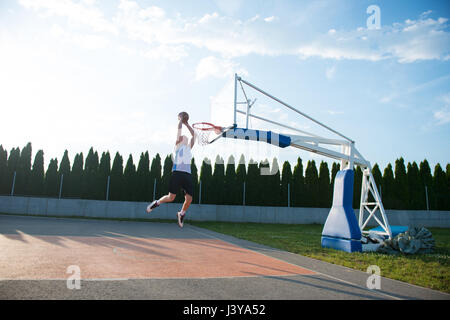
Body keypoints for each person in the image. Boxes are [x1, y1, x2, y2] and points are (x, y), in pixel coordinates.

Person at [146, 112, 195, 228]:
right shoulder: (178, 147)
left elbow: (194, 136)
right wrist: (181, 120)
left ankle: (181, 213)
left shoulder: (188, 148)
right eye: (183, 137)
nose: (185, 137)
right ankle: (156, 203)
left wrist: (187, 124)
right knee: (171, 197)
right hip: (177, 173)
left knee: (189, 199)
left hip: (187, 174)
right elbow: (179, 129)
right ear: (179, 140)